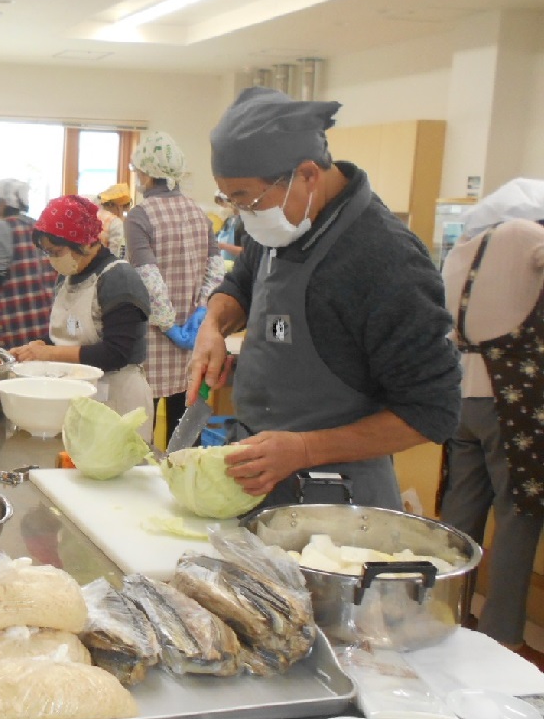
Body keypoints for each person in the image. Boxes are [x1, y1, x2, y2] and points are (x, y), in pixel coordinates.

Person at [190, 86, 461, 509]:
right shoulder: (280, 223)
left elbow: (432, 412)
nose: (243, 215)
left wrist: (303, 449)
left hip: (336, 505)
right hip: (254, 479)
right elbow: (239, 286)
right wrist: (212, 327)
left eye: (247, 199)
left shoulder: (386, 261)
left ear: (308, 174)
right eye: (231, 201)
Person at [437, 178, 544, 649]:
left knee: (460, 514)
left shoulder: (461, 249)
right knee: (518, 517)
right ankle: (502, 640)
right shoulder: (527, 239)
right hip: (514, 403)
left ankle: (445, 619)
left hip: (463, 396)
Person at [10, 195, 152, 418]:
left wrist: (49, 352)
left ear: (84, 242)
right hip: (78, 393)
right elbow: (71, 335)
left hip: (117, 399)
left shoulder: (118, 278)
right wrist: (38, 347)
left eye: (57, 252)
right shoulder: (67, 276)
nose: (52, 259)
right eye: (47, 252)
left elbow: (116, 353)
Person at [123, 130, 223, 445]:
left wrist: (168, 324)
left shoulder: (140, 216)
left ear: (146, 174)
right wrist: (202, 312)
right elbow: (216, 269)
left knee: (144, 427)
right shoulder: (198, 213)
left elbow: (147, 276)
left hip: (153, 338)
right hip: (193, 339)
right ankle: (183, 482)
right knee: (185, 427)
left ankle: (145, 486)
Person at [0, 178, 53, 349]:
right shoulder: (37, 225)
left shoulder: (3, 228)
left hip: (15, 314)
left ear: (2, 203)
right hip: (42, 313)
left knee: (13, 364)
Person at [97, 182, 131, 258]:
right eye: (125, 207)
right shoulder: (115, 223)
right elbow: (115, 255)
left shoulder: (95, 214)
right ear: (119, 206)